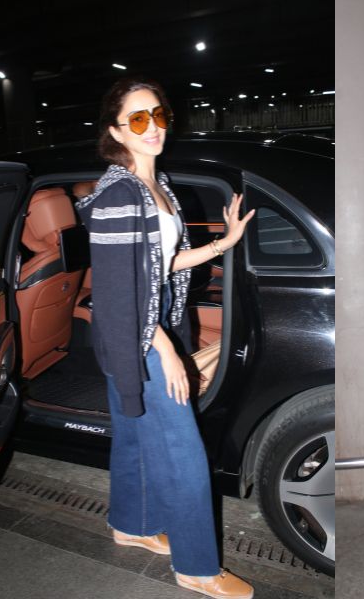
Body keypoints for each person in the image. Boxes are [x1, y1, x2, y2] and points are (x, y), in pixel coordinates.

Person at [76, 77, 255, 598]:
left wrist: (223, 243)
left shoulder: (157, 186)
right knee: (183, 452)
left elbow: (162, 264)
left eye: (158, 115)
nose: (152, 127)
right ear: (116, 131)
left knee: (133, 437)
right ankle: (197, 566)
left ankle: (130, 525)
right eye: (138, 119)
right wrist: (166, 349)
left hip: (141, 330)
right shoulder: (118, 194)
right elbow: (118, 290)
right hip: (137, 338)